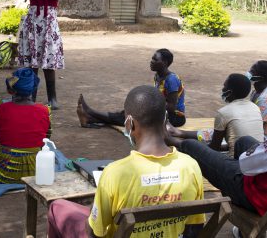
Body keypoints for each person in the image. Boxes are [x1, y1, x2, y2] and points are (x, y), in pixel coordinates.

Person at [48, 85, 205, 238]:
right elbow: (195, 225)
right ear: (165, 120)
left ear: (130, 123)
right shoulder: (190, 166)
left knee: (58, 207)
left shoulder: (114, 173)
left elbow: (94, 233)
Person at [168, 135, 267, 238]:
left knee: (191, 146)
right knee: (243, 141)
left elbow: (245, 165)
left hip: (256, 196)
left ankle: (237, 200)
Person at [77, 48, 187, 128]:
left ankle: (90, 113)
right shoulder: (158, 76)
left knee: (133, 118)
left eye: (155, 59)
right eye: (152, 59)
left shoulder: (171, 80)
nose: (151, 61)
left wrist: (149, 106)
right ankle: (89, 118)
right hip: (161, 112)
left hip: (175, 118)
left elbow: (172, 107)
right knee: (127, 114)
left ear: (165, 63)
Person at [11, 0, 65, 110]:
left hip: (49, 26)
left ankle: (52, 99)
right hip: (32, 25)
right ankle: (30, 98)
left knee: (48, 65)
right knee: (32, 64)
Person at [0, 67, 51, 184]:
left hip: (4, 172)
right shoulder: (45, 110)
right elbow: (46, 139)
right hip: (37, 171)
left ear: (12, 89)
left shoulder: (2, 108)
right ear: (33, 88)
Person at [168, 73, 264, 157]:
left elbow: (214, 148)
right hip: (256, 158)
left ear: (229, 92)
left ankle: (173, 141)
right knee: (214, 132)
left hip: (236, 164)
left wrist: (198, 145)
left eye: (224, 87)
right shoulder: (255, 107)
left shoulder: (224, 112)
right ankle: (178, 133)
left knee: (197, 147)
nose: (222, 89)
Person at [247, 60, 267, 136]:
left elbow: (257, 124)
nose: (249, 73)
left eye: (252, 71)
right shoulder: (256, 92)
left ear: (261, 77)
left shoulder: (264, 98)